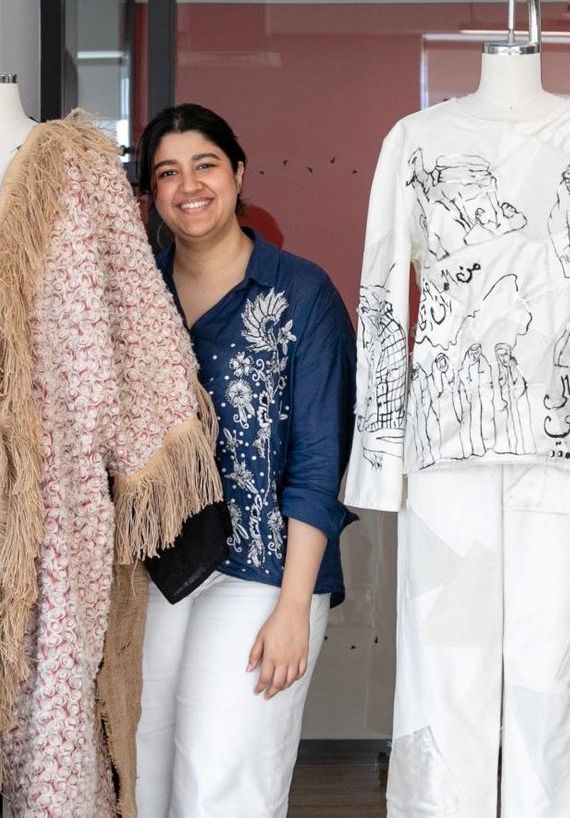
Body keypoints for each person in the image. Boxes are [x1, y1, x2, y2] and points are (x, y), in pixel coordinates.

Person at [133, 103, 355, 818]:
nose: (189, 186)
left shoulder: (300, 293)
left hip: (264, 570)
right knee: (141, 776)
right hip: (155, 569)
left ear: (237, 172)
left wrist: (295, 607)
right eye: (168, 173)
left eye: (204, 165)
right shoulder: (138, 296)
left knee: (222, 785)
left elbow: (320, 461)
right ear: (153, 193)